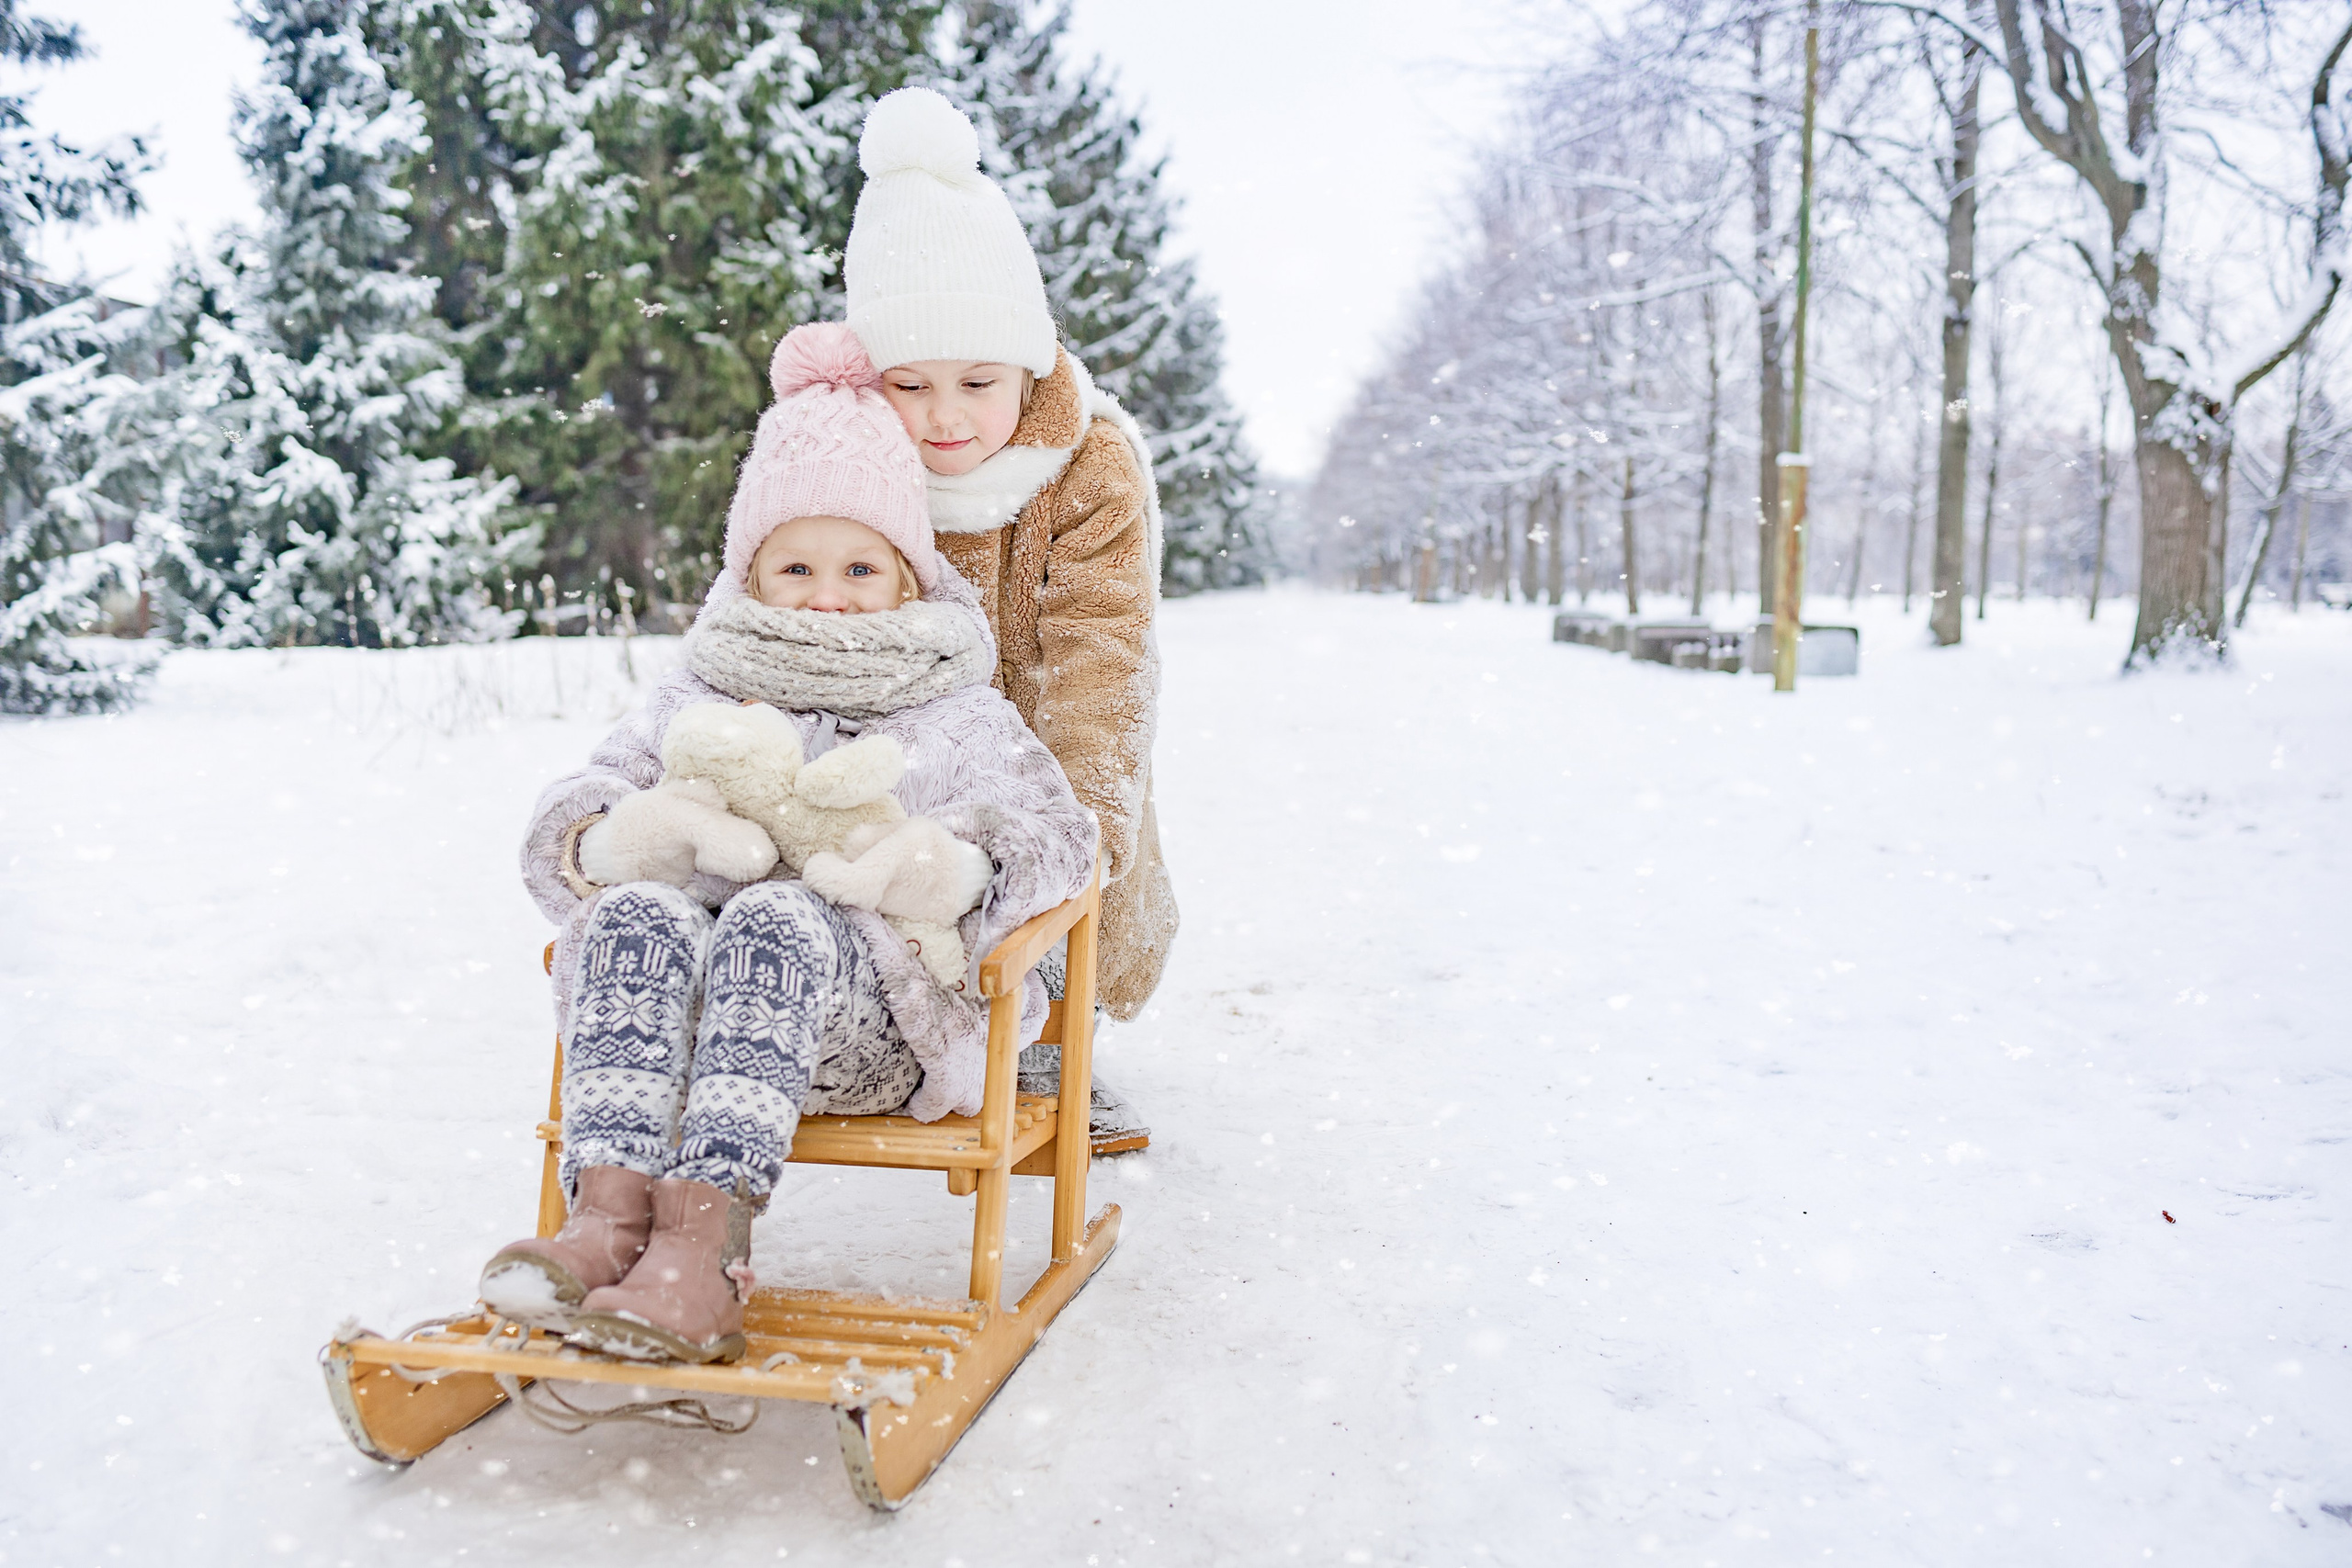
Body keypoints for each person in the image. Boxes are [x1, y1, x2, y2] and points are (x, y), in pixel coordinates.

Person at [481, 322, 1094, 1364]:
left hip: (863, 1029)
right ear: (751, 574)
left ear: (908, 576)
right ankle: (608, 1221)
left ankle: (702, 1250)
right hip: (675, 1039)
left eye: (860, 566)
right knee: (635, 911)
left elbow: (1062, 842)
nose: (827, 593)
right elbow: (570, 826)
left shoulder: (956, 707)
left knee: (778, 910)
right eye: (796, 565)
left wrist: (954, 865)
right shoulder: (698, 688)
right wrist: (618, 836)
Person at [843, 87, 1177, 1150]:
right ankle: (879, 1032)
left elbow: (1102, 652)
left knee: (1039, 884)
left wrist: (1082, 824)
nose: (944, 418)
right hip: (897, 738)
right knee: (893, 890)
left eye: (977, 381)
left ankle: (1053, 1036)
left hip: (1043, 729)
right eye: (911, 383)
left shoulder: (1086, 464)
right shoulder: (844, 452)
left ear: (1025, 365)